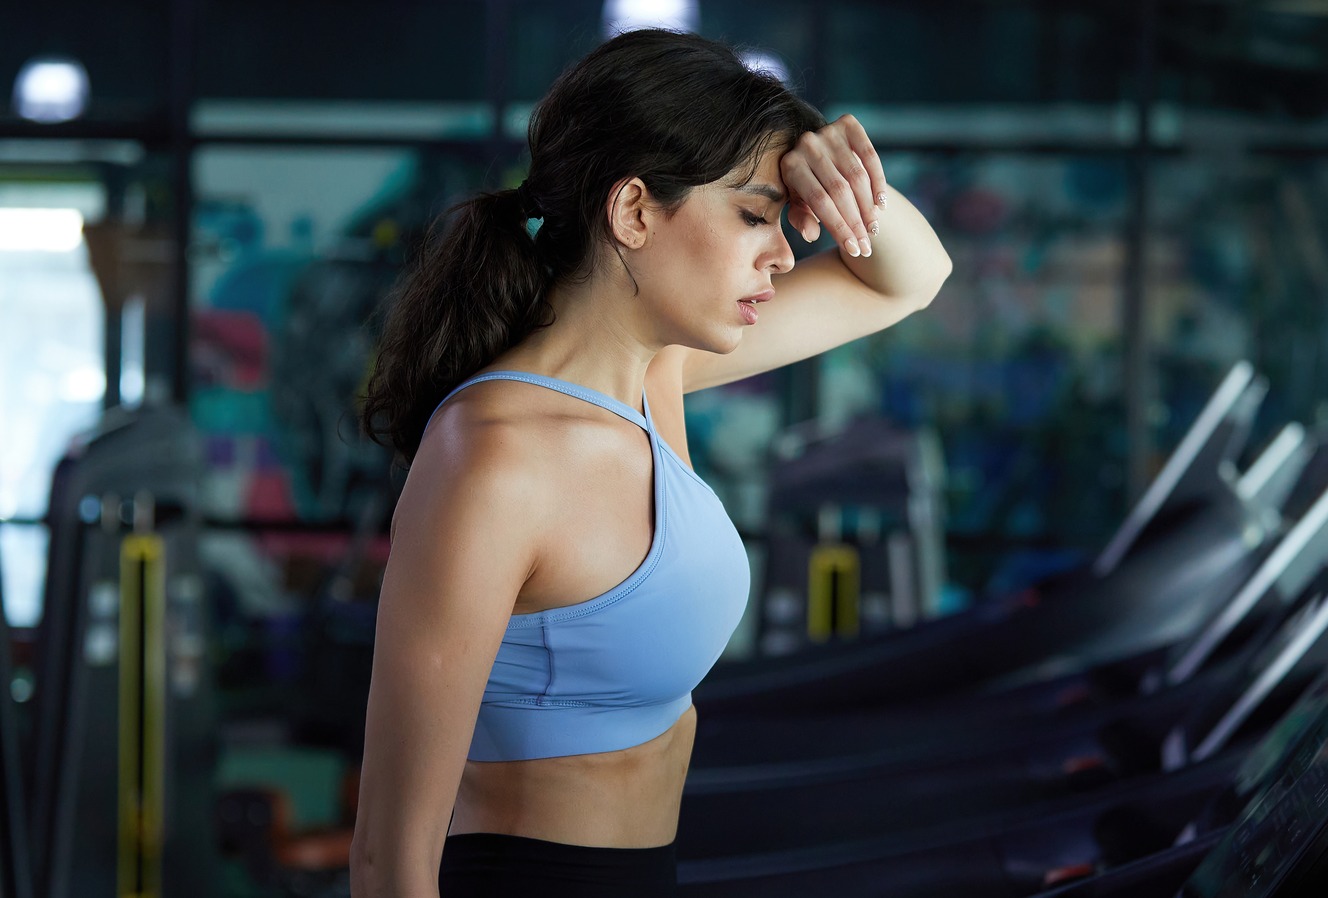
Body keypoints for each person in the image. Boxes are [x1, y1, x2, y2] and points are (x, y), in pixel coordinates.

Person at [350, 28, 951, 897]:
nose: (783, 252)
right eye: (754, 214)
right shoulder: (495, 458)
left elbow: (910, 278)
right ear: (634, 211)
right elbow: (389, 860)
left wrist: (838, 170)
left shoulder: (655, 374)